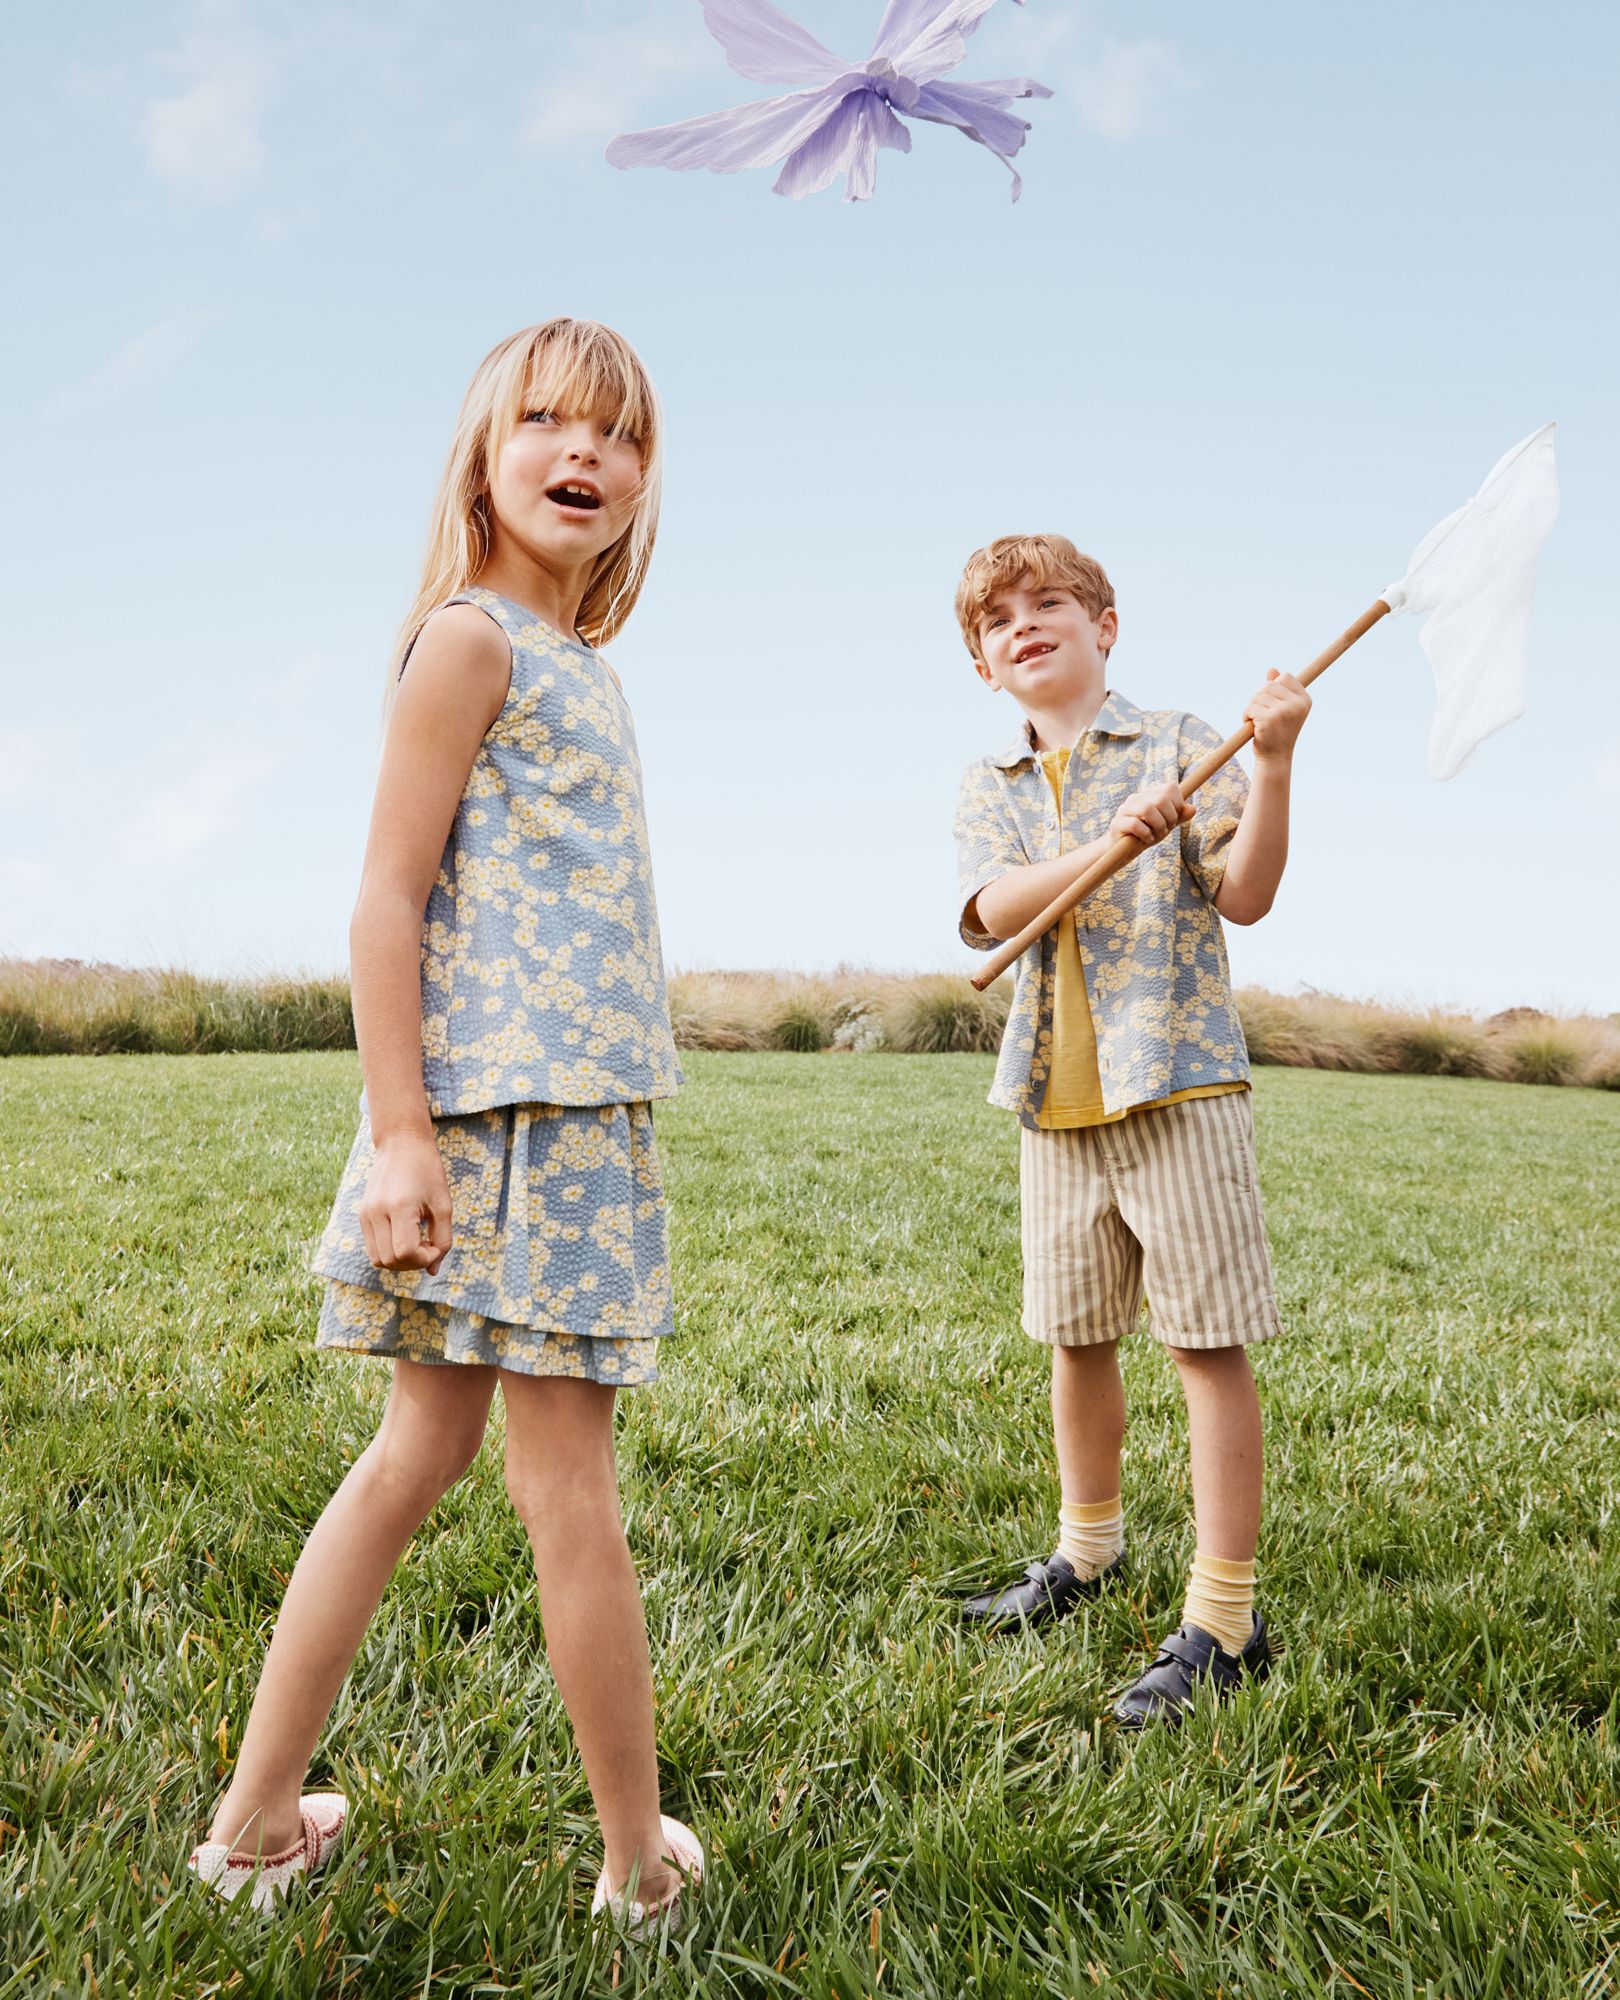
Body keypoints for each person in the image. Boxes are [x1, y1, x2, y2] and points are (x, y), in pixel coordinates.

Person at [187, 318, 702, 1928]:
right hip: (498, 1124)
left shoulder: (579, 662)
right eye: (545, 419)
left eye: (618, 433)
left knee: (425, 1456)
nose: (584, 450)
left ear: (643, 480)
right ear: (483, 457)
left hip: (562, 1113)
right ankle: (636, 1867)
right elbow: (383, 901)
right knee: (558, 1489)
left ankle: (254, 1827)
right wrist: (400, 1133)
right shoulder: (471, 641)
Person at [951, 534, 1310, 1726]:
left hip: (1178, 1086)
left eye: (1050, 601)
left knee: (1204, 1344)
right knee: (1076, 1335)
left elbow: (1247, 892)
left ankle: (1226, 1615)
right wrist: (1113, 842)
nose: (1025, 623)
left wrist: (1273, 761)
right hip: (1055, 1101)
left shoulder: (1177, 744)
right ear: (984, 662)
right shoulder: (992, 783)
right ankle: (1087, 1550)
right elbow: (993, 906)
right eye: (998, 618)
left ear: (1104, 625)